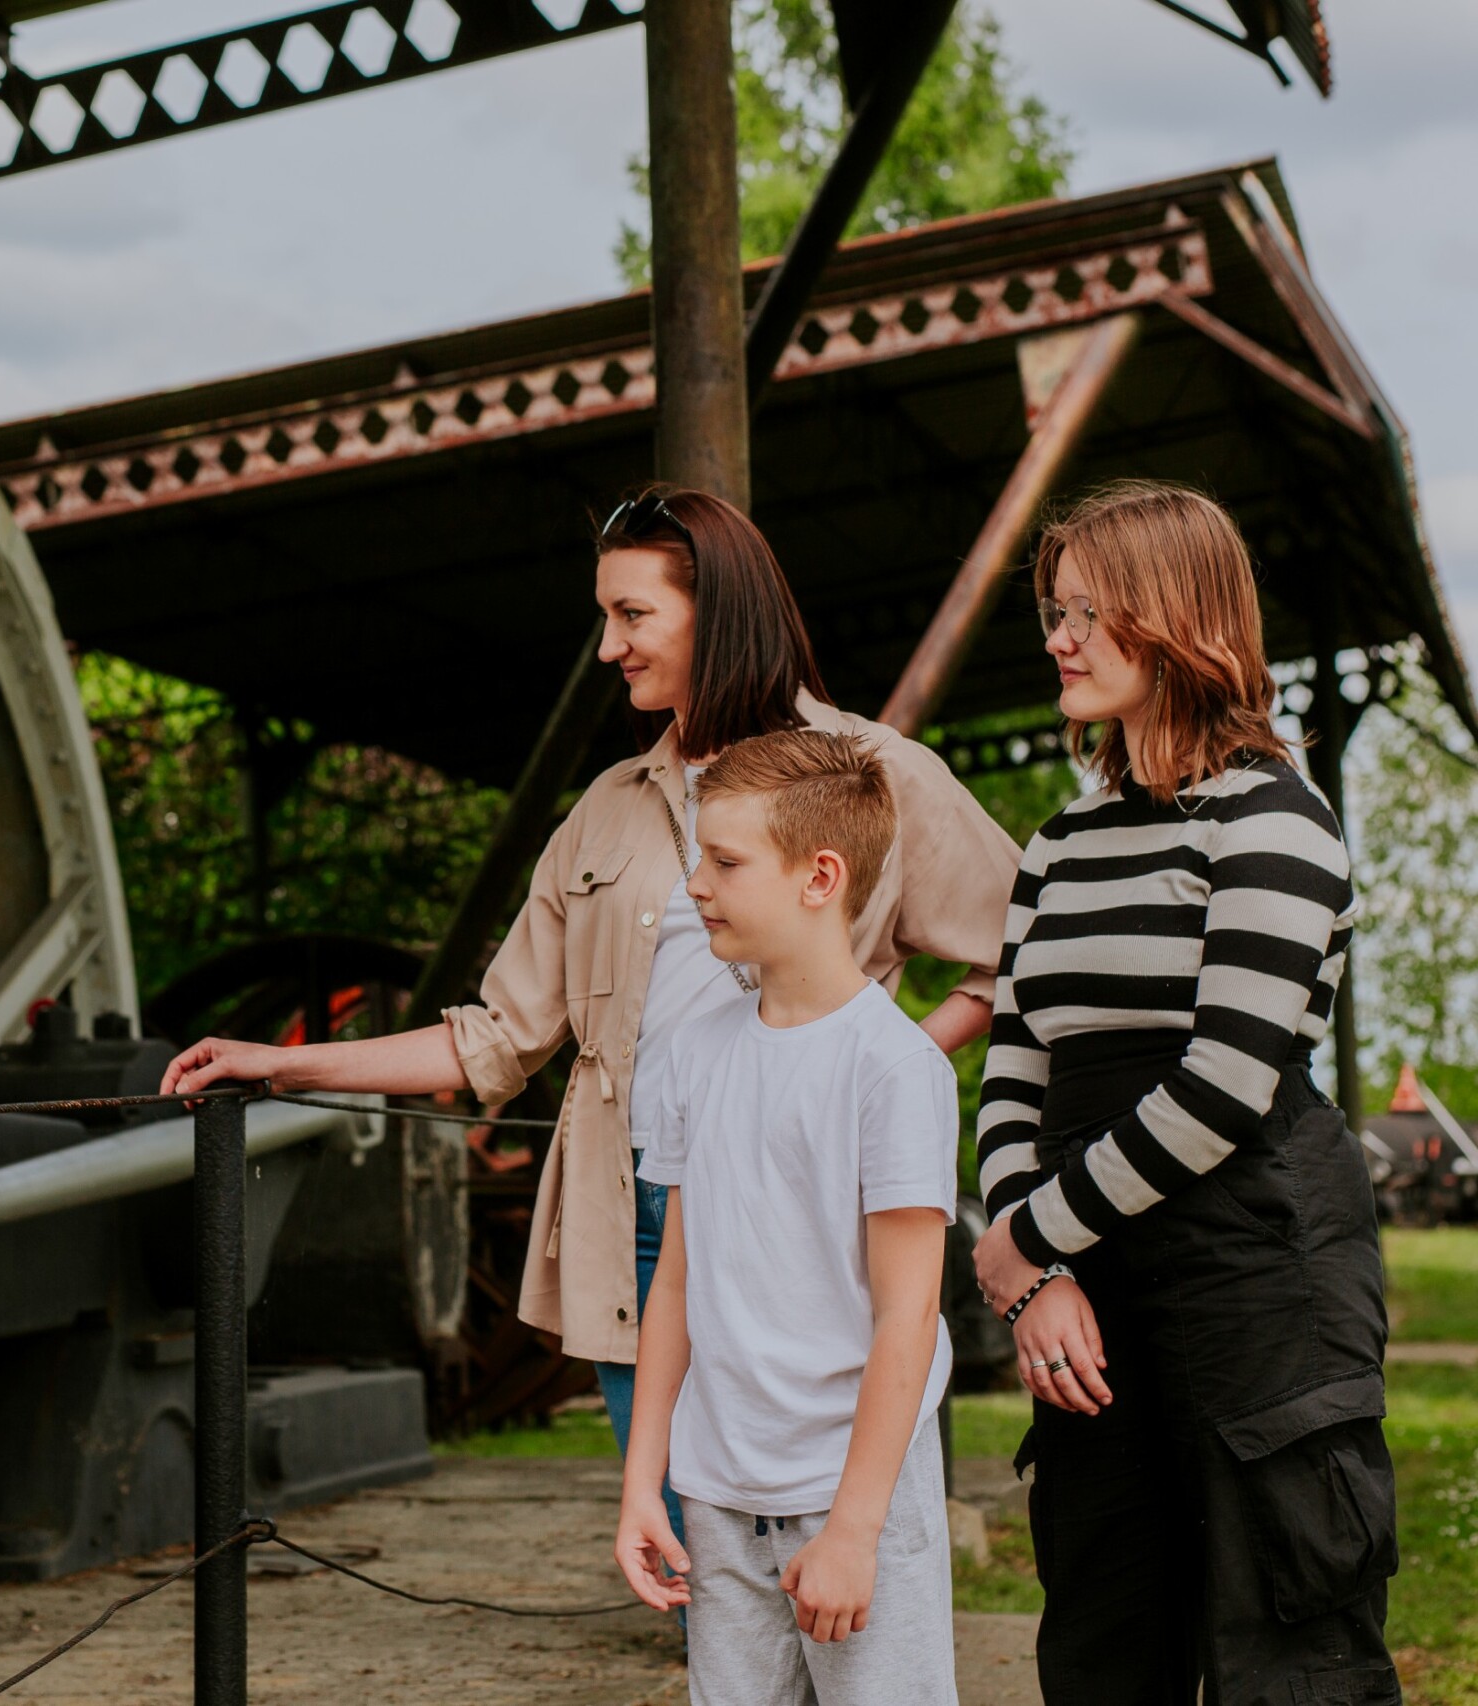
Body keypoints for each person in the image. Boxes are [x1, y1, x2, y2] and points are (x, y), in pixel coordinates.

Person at [160, 486, 1018, 1522]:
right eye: (604, 615)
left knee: (833, 1557)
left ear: (718, 610)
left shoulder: (875, 774)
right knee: (691, 1562)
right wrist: (282, 1064)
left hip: (810, 1216)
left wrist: (873, 1062)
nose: (607, 645)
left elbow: (1023, 954)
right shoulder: (603, 813)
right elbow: (496, 1039)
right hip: (646, 1227)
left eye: (632, 613)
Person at [968, 482, 1397, 1703]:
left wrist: (1022, 1239)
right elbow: (1012, 1066)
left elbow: (1222, 1083)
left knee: (1291, 1647)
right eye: (1053, 610)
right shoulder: (1055, 841)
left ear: (1176, 619)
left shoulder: (1276, 818)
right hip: (1084, 1288)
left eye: (1087, 611)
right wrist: (1039, 1275)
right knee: (1102, 1641)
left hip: (1255, 1268)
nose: (1057, 637)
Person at [611, 730, 960, 1704]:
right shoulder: (693, 1053)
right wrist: (648, 1479)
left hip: (854, 1497)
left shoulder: (893, 1069)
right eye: (697, 858)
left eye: (724, 863)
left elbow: (908, 1312)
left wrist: (853, 1525)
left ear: (819, 876)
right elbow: (672, 1281)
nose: (695, 886)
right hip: (718, 1494)